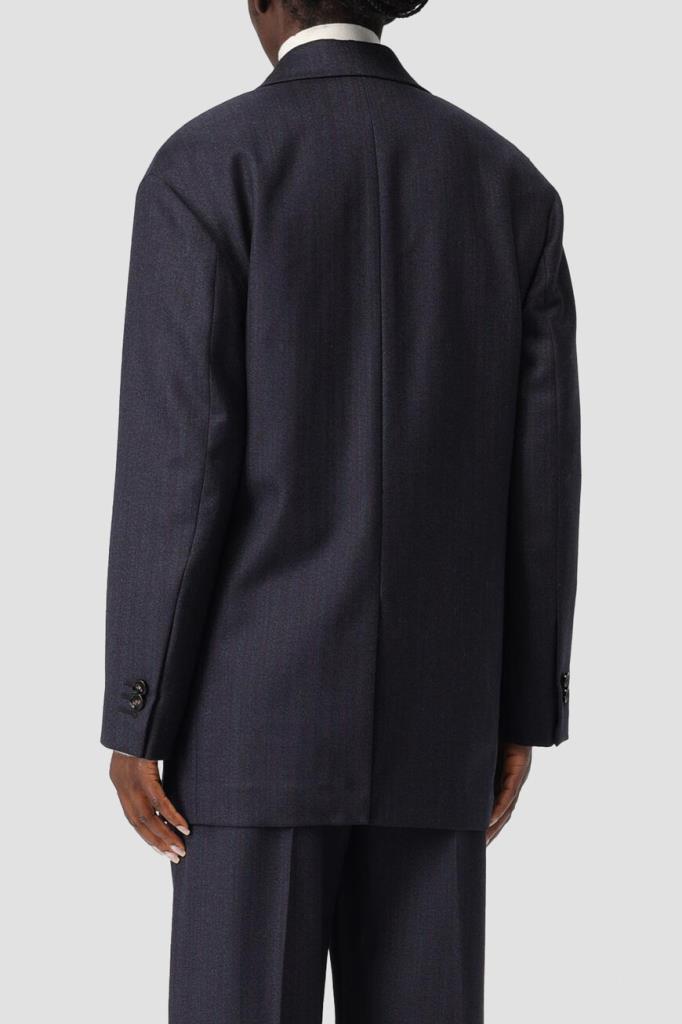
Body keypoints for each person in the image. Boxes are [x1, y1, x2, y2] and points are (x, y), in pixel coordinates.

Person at [101, 1, 580, 1020]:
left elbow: (181, 464)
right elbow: (540, 479)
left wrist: (139, 707)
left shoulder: (206, 167)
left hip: (246, 730)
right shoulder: (509, 185)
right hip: (441, 722)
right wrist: (522, 709)